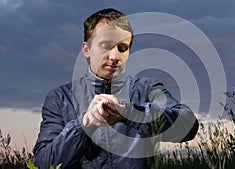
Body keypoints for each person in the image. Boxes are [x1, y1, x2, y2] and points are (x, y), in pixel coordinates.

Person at [33, 8, 199, 169]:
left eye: (122, 48)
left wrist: (131, 113)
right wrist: (84, 125)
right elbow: (44, 163)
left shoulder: (147, 89)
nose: (114, 57)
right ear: (86, 49)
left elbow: (188, 126)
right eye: (106, 45)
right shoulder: (60, 98)